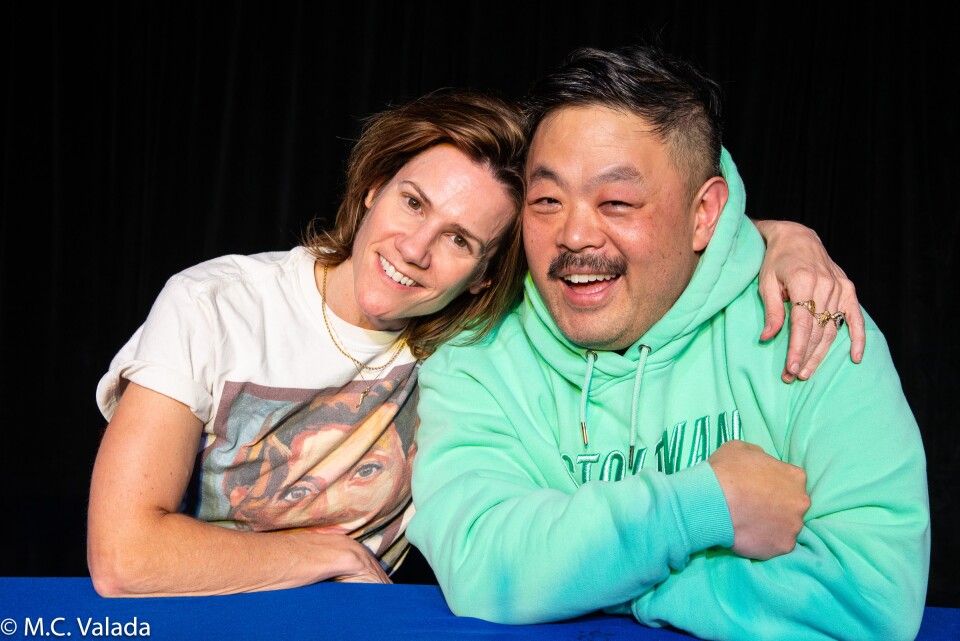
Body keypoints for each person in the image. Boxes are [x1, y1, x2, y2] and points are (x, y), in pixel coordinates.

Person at [89, 88, 860, 598]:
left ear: (490, 270)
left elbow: (630, 255)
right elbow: (123, 554)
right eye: (412, 201)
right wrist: (316, 554)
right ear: (370, 188)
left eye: (460, 239)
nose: (416, 248)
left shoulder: (469, 337)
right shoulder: (215, 303)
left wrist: (782, 240)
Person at [406, 47, 929, 641]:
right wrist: (704, 505)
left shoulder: (814, 325)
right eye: (547, 200)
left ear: (704, 214)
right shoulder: (474, 358)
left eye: (617, 203)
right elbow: (484, 565)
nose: (574, 234)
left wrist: (588, 582)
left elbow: (870, 602)